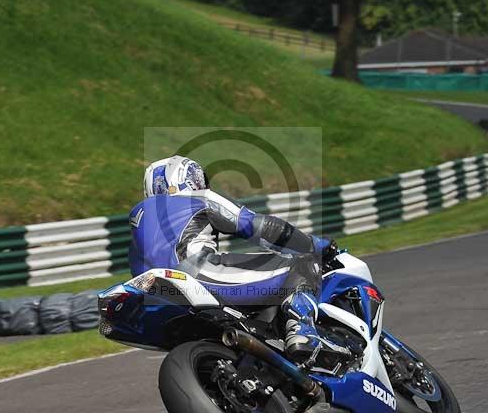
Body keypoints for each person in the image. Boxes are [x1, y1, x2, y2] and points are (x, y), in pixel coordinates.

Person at [128, 155, 341, 363]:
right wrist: (315, 246)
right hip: (200, 273)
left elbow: (137, 272)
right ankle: (301, 330)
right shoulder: (199, 198)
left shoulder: (137, 220)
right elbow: (260, 227)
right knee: (302, 266)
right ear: (184, 179)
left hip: (160, 296)